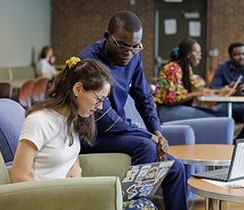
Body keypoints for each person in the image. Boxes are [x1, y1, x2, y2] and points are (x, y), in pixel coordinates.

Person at [10, 57, 156, 209]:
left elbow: (70, 158)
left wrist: (76, 173)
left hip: (69, 198)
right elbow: (19, 176)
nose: (100, 107)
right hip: (47, 203)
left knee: (144, 204)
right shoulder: (39, 121)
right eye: (98, 99)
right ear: (78, 89)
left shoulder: (71, 119)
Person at [78, 11, 188, 210]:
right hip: (90, 134)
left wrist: (157, 131)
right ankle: (134, 206)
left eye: (135, 47)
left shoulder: (133, 58)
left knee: (176, 168)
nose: (128, 52)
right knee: (145, 146)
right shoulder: (89, 62)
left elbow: (144, 98)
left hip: (118, 132)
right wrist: (147, 136)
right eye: (122, 45)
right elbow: (104, 117)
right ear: (107, 37)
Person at [152, 37, 230, 122]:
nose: (200, 56)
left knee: (221, 115)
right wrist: (195, 94)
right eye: (198, 52)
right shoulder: (172, 69)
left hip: (179, 108)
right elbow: (172, 99)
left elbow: (198, 88)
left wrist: (219, 91)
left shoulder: (186, 68)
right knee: (217, 119)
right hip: (167, 110)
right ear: (188, 54)